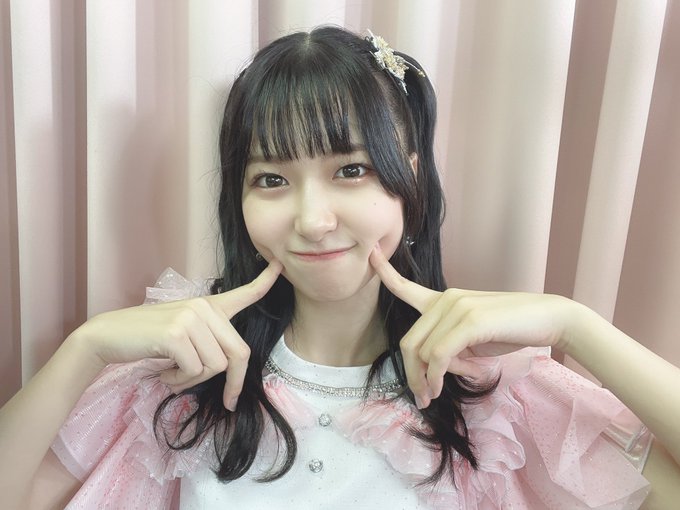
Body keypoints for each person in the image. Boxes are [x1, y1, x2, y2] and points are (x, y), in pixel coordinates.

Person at [1, 25, 679, 510]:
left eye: (351, 170)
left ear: (409, 177)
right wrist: (85, 347)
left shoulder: (490, 393)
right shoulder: (184, 373)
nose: (313, 219)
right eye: (271, 180)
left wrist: (573, 324)